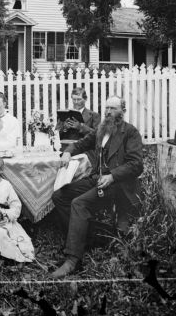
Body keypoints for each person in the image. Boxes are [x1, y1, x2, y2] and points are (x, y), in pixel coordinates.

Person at [50, 95, 144, 278]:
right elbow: (80, 144)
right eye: (107, 108)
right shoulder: (101, 129)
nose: (108, 112)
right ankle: (83, 238)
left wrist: (112, 176)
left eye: (113, 109)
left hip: (117, 186)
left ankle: (72, 259)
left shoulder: (130, 132)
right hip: (97, 179)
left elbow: (136, 164)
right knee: (59, 196)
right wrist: (68, 153)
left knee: (79, 203)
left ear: (123, 112)